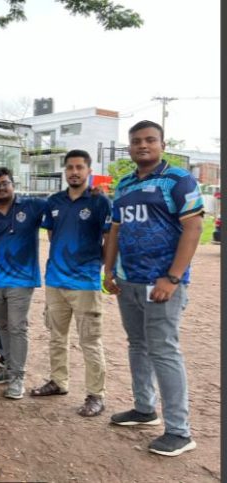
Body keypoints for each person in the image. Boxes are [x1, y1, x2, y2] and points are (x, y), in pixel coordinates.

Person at [103, 120, 203, 457]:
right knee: (138, 345)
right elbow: (116, 230)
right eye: (136, 141)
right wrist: (109, 270)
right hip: (129, 280)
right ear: (129, 147)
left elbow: (193, 227)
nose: (142, 145)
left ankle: (179, 431)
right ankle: (144, 409)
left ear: (161, 144)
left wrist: (172, 278)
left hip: (162, 284)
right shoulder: (125, 184)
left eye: (149, 140)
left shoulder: (178, 179)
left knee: (164, 350)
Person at [30, 150, 111, 418]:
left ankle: (95, 395)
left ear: (88, 170)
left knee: (90, 340)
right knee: (56, 336)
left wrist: (101, 266)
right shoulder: (55, 201)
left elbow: (110, 238)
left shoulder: (100, 202)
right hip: (55, 279)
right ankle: (58, 381)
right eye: (70, 168)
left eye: (79, 167)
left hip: (86, 282)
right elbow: (52, 233)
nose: (74, 172)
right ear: (65, 171)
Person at [0, 167, 47, 399]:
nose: (1, 188)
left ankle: (18, 378)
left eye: (5, 183)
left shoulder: (31, 207)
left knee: (17, 328)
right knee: (3, 327)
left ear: (13, 184)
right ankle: (7, 369)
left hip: (21, 281)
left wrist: (93, 193)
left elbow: (61, 204)